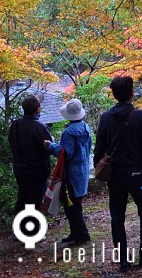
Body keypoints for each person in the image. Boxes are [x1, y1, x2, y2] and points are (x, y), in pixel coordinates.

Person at [93, 76, 142, 272]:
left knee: (117, 217)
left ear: (113, 93)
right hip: (139, 174)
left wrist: (100, 169)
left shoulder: (105, 118)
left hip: (116, 176)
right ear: (131, 92)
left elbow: (99, 149)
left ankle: (123, 261)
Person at [44, 98, 92, 245]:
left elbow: (65, 154)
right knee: (75, 203)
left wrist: (50, 146)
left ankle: (82, 235)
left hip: (70, 173)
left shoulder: (68, 133)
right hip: (83, 170)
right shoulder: (85, 128)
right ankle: (75, 233)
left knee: (72, 205)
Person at [9, 94, 53, 215]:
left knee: (23, 197)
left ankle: (20, 228)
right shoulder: (40, 128)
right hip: (38, 170)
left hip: (19, 168)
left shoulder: (15, 125)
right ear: (37, 109)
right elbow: (50, 148)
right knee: (36, 200)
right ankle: (32, 230)